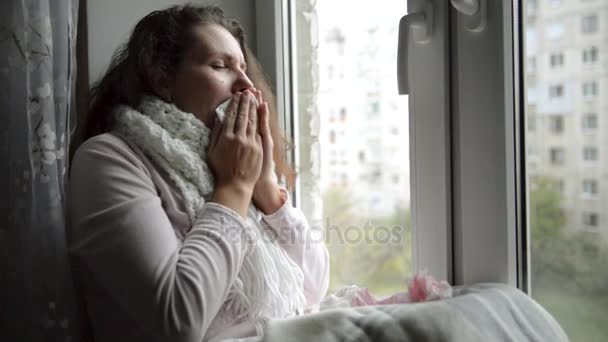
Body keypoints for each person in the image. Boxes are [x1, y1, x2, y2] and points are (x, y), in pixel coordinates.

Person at [67, 4, 329, 342]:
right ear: (163, 79)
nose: (246, 84)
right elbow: (177, 323)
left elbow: (313, 288)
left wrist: (266, 191)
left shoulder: (234, 166)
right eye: (220, 66)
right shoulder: (108, 160)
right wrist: (234, 188)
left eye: (245, 69)